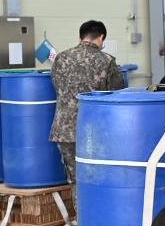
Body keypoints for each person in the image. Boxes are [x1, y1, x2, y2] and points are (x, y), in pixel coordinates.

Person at [49, 20, 124, 207]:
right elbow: (116, 95)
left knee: (75, 180)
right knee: (99, 177)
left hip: (64, 131)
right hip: (95, 131)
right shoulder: (107, 61)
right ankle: (98, 222)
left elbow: (56, 86)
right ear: (101, 37)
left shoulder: (61, 58)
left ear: (80, 37)